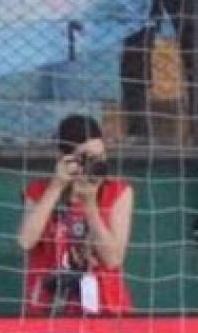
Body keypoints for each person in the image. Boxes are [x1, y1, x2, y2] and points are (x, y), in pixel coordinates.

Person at [16, 116, 133, 317]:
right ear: (65, 158)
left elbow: (113, 259)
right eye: (87, 158)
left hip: (105, 307)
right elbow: (25, 241)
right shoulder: (38, 191)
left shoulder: (117, 192)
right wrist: (56, 186)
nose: (95, 165)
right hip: (49, 306)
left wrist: (90, 205)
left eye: (100, 157)